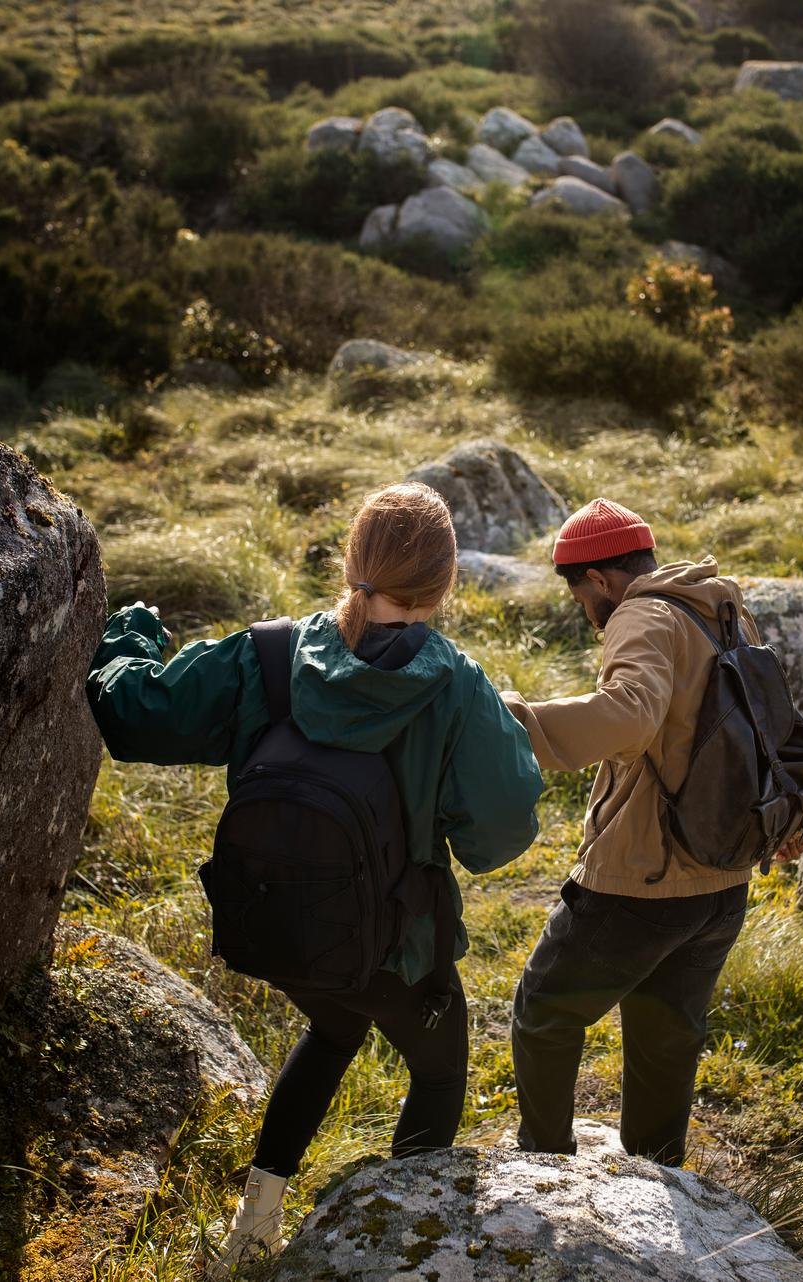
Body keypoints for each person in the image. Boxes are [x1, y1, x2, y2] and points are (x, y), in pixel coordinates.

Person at [83, 482, 544, 1265]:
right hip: (397, 950)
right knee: (439, 1072)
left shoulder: (265, 654)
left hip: (276, 923)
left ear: (352, 561)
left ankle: (252, 1226)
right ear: (446, 583)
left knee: (333, 1025)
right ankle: (399, 1252)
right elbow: (500, 836)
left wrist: (127, 635)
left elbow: (133, 716)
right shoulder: (456, 685)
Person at [500, 497, 802, 1168]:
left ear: (600, 579)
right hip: (722, 879)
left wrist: (507, 722)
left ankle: (544, 1166)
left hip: (642, 878)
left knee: (545, 1010)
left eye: (581, 593)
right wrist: (788, 819)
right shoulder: (723, 609)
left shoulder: (641, 611)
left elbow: (629, 718)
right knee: (667, 1034)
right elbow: (777, 725)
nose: (585, 610)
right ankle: (657, 1170)